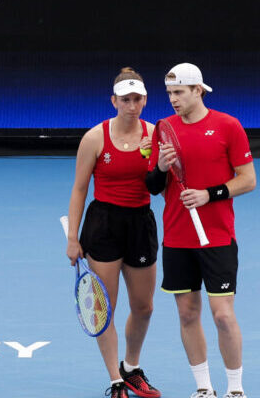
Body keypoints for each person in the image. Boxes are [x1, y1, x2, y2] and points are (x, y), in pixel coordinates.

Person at [144, 63, 257, 398]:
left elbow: (248, 179)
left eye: (179, 92)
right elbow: (152, 185)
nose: (173, 100)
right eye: (169, 93)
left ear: (198, 90)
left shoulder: (227, 126)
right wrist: (161, 167)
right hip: (177, 238)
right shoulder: (164, 128)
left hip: (217, 238)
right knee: (187, 314)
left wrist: (210, 194)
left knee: (223, 316)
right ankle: (203, 388)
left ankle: (235, 390)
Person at [66, 67, 163, 398]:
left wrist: (159, 163)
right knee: (103, 309)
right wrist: (73, 239)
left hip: (140, 223)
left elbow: (161, 187)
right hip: (104, 225)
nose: (131, 106)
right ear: (114, 101)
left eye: (137, 99)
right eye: (125, 100)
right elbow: (79, 189)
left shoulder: (155, 136)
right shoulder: (95, 138)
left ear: (145, 100)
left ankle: (131, 368)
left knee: (144, 307)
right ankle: (115, 380)